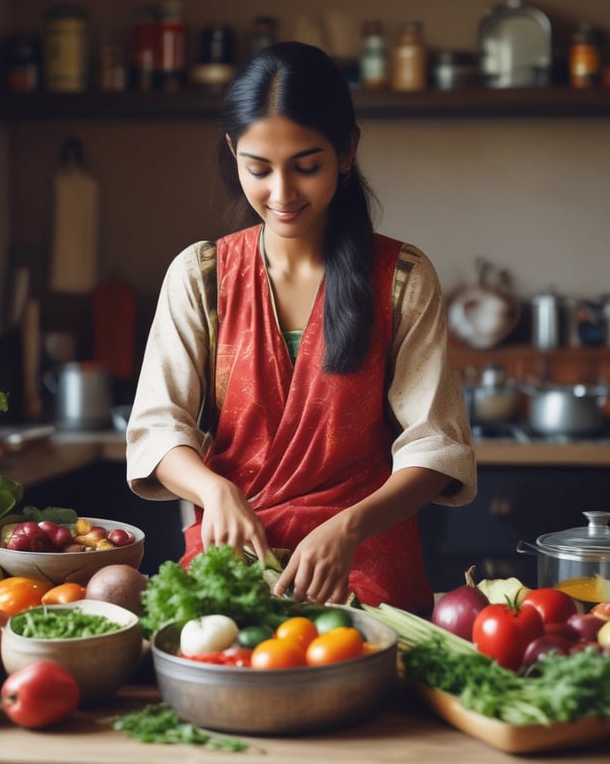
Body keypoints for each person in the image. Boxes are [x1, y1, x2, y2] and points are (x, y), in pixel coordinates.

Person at [126, 41, 476, 615]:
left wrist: (348, 529)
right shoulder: (201, 276)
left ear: (347, 151)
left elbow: (437, 448)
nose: (282, 194)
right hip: (231, 564)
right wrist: (216, 491)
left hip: (362, 564)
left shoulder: (402, 279)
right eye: (258, 169)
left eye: (306, 166)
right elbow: (158, 430)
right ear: (233, 152)